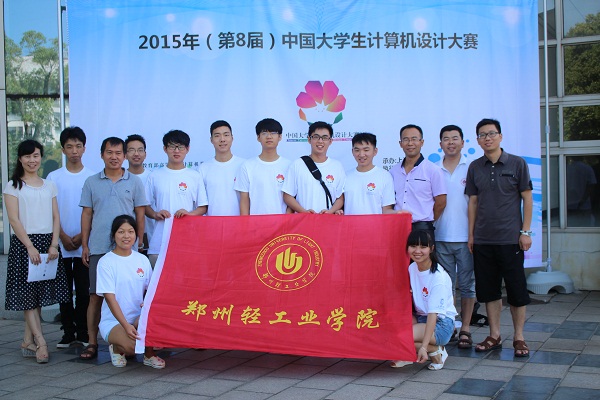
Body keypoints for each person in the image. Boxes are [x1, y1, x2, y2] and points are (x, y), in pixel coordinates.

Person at [466, 118, 533, 357]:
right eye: (482, 135)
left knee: (516, 290)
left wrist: (525, 232)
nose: (487, 138)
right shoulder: (475, 167)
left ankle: (519, 337)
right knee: (489, 291)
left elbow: (527, 198)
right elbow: (473, 202)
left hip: (511, 239)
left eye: (492, 133)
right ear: (477, 140)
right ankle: (494, 335)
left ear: (500, 136)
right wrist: (471, 234)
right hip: (483, 240)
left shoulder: (517, 163)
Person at [79, 137, 148, 360]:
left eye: (119, 153)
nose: (114, 157)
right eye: (109, 152)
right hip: (99, 246)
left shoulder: (134, 182)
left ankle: (126, 333)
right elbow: (87, 214)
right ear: (102, 155)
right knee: (95, 296)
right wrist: (85, 245)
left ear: (124, 156)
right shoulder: (91, 182)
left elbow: (140, 214)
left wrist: (139, 241)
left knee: (131, 294)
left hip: (128, 249)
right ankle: (91, 342)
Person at [3, 140, 70, 363]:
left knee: (38, 294)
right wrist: (29, 246)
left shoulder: (49, 185)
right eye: (28, 156)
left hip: (47, 243)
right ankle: (41, 342)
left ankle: (26, 340)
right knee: (27, 295)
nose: (32, 160)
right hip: (25, 244)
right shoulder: (13, 186)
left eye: (36, 155)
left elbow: (56, 216)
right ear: (20, 159)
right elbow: (14, 220)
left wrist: (54, 244)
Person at [47, 127, 96, 348]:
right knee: (63, 290)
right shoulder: (53, 177)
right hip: (61, 242)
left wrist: (81, 236)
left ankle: (83, 331)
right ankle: (68, 332)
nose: (74, 151)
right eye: (69, 147)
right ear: (63, 149)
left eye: (78, 146)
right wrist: (63, 236)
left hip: (85, 243)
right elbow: (50, 211)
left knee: (84, 291)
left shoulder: (92, 177)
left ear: (84, 148)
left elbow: (94, 211)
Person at [96, 214, 165, 369]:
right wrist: (126, 326)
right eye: (121, 232)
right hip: (114, 322)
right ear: (114, 235)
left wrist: (147, 306)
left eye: (130, 231)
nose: (126, 236)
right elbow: (110, 299)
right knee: (133, 348)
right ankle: (117, 348)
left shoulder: (142, 260)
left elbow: (151, 291)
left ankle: (149, 355)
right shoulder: (106, 262)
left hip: (138, 318)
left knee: (158, 336)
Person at [433, 125, 476, 349]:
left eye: (455, 138)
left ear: (462, 142)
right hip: (440, 236)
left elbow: (476, 204)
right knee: (446, 287)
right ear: (440, 144)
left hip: (466, 238)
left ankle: (466, 328)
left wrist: (473, 234)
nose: (450, 142)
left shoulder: (472, 168)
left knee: (467, 286)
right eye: (446, 139)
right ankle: (449, 327)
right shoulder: (433, 169)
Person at [391, 230, 456, 370]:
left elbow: (433, 314)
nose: (417, 251)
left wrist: (424, 347)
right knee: (391, 330)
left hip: (441, 324)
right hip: (421, 317)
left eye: (423, 247)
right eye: (413, 246)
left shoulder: (438, 278)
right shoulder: (412, 267)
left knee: (401, 337)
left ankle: (435, 351)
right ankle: (412, 354)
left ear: (431, 249)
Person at [146, 130, 208, 267]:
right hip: (160, 242)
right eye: (172, 146)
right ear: (165, 149)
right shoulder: (155, 176)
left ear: (187, 149)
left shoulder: (195, 176)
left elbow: (203, 207)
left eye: (180, 147)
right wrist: (155, 214)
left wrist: (189, 214)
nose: (176, 151)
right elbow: (145, 205)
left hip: (188, 241)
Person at [390, 124, 447, 239]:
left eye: (414, 139)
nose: (410, 143)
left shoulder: (433, 170)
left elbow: (441, 202)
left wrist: (426, 219)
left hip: (423, 228)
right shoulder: (393, 171)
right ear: (400, 143)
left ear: (422, 142)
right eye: (406, 139)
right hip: (397, 227)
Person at [283, 121, 345, 214]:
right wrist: (304, 212)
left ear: (330, 141)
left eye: (325, 137)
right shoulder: (297, 164)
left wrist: (330, 211)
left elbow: (340, 197)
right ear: (309, 139)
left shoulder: (337, 166)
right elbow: (287, 195)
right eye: (316, 137)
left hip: (328, 220)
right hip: (303, 220)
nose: (320, 141)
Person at [234, 118, 291, 215]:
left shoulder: (289, 166)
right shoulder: (247, 166)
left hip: (282, 223)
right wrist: (245, 223)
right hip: (255, 223)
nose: (269, 137)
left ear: (280, 137)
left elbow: (292, 199)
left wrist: (286, 221)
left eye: (273, 133)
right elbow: (244, 200)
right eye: (264, 133)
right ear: (258, 137)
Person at [200, 120, 245, 216]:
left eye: (226, 135)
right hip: (212, 223)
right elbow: (201, 204)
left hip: (239, 223)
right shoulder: (203, 169)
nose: (222, 139)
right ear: (211, 140)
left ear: (232, 138)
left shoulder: (244, 165)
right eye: (217, 136)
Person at [343, 133, 396, 215]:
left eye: (366, 150)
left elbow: (386, 210)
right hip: (349, 223)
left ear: (375, 151)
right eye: (357, 150)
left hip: (376, 223)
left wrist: (399, 214)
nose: (361, 154)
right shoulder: (345, 176)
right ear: (352, 151)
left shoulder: (385, 176)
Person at [126, 134, 155, 249]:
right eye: (131, 150)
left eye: (140, 150)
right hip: (125, 237)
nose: (136, 154)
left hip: (151, 235)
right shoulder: (120, 178)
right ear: (125, 154)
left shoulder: (153, 177)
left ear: (145, 154)